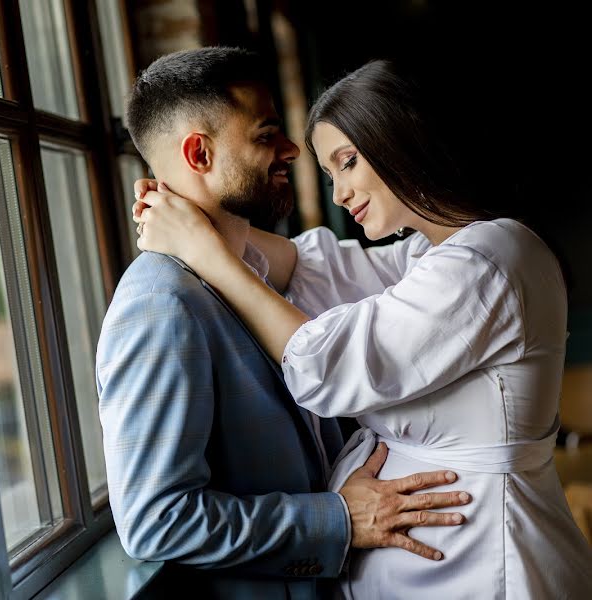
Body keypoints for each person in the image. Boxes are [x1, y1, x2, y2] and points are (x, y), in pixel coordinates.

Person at [132, 58, 592, 598]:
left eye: (346, 163)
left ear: (400, 141)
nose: (339, 194)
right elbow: (311, 267)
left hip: (488, 561)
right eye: (331, 174)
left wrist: (202, 250)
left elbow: (326, 363)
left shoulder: (489, 260)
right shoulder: (433, 257)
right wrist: (192, 221)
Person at [96, 48, 471, 600]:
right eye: (266, 134)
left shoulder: (250, 271)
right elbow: (157, 521)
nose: (291, 150)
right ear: (199, 153)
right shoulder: (159, 305)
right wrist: (341, 520)